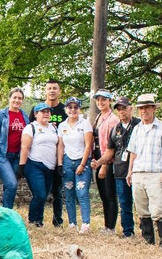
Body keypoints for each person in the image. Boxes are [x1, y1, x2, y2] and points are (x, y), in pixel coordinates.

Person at [126, 94, 162, 249]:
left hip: (156, 172)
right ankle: (148, 240)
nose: (144, 111)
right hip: (138, 172)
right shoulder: (137, 129)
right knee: (142, 209)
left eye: (147, 107)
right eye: (141, 108)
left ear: (153, 108)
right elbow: (133, 152)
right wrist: (130, 171)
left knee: (158, 208)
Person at [100, 97, 141, 238]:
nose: (122, 111)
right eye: (119, 109)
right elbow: (110, 151)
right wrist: (99, 162)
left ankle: (147, 232)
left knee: (142, 203)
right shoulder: (115, 129)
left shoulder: (139, 125)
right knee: (124, 203)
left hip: (138, 170)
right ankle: (127, 232)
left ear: (131, 108)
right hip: (120, 170)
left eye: (124, 108)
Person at [56, 97, 94, 233]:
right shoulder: (62, 126)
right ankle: (72, 223)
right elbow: (61, 145)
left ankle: (86, 223)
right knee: (69, 193)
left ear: (79, 109)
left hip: (82, 161)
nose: (73, 110)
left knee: (82, 192)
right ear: (66, 109)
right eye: (70, 107)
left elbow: (88, 145)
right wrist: (60, 163)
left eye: (75, 107)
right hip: (67, 162)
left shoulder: (85, 124)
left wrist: (82, 164)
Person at [0, 88, 30, 209]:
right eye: (14, 97)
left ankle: (5, 212)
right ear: (9, 99)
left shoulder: (25, 116)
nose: (17, 100)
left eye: (20, 98)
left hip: (17, 156)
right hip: (2, 155)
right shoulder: (1, 115)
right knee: (12, 184)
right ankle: (7, 212)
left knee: (9, 186)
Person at [19, 103, 59, 227]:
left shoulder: (53, 128)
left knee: (44, 195)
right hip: (34, 165)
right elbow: (25, 147)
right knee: (39, 194)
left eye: (48, 111)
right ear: (36, 114)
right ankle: (32, 220)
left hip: (50, 167)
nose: (46, 114)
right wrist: (22, 166)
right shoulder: (31, 127)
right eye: (43, 112)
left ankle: (39, 221)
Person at [90, 89, 120, 235]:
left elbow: (112, 146)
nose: (100, 102)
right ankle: (106, 225)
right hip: (98, 159)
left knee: (110, 195)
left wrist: (104, 165)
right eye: (98, 100)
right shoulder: (98, 117)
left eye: (104, 99)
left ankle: (111, 227)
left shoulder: (113, 120)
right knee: (103, 194)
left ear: (110, 101)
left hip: (108, 161)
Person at [42, 79, 67, 226]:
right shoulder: (38, 109)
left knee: (57, 191)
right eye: (49, 88)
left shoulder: (64, 110)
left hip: (59, 156)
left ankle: (58, 220)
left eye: (54, 88)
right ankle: (37, 220)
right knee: (42, 191)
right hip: (42, 156)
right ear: (45, 91)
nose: (52, 91)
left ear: (59, 91)